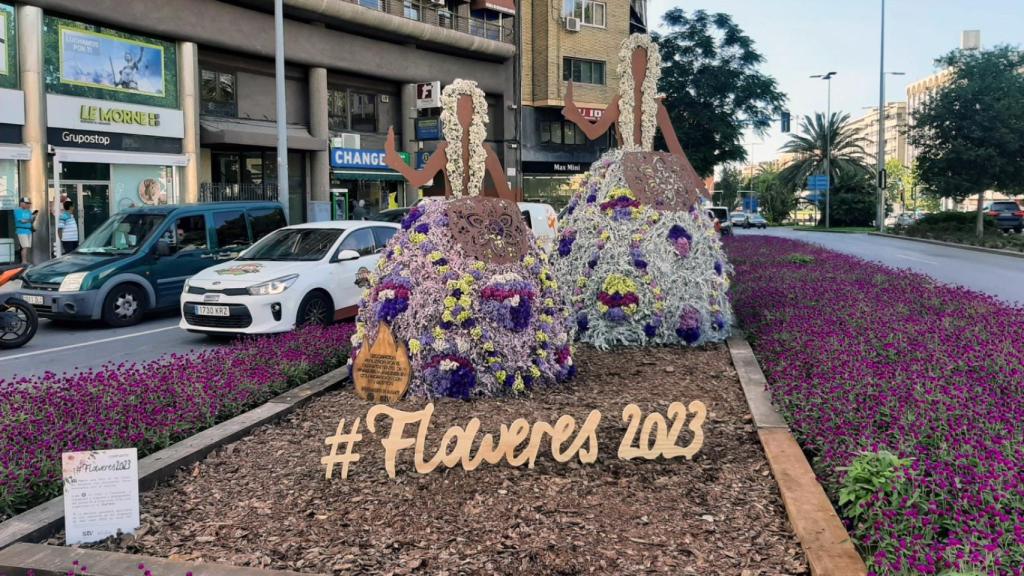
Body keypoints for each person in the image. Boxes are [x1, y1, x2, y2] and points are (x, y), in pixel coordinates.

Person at [14, 197, 37, 265]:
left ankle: (25, 261)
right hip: (21, 230)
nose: (28, 205)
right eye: (26, 203)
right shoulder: (17, 210)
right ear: (21, 203)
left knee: (27, 247)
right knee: (25, 246)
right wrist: (30, 219)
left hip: (28, 230)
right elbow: (22, 221)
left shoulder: (28, 211)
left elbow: (31, 221)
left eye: (29, 203)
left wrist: (34, 217)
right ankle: (24, 261)